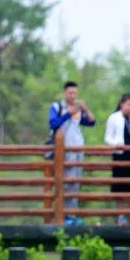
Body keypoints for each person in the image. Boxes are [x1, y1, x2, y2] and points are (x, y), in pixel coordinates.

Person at [48, 81, 95, 225]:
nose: (72, 95)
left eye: (75, 93)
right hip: (64, 150)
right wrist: (69, 113)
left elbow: (92, 123)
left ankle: (72, 214)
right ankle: (63, 214)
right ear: (64, 93)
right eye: (70, 93)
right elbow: (53, 123)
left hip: (78, 148)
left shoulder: (78, 109)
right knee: (66, 182)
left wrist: (85, 110)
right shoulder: (57, 107)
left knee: (75, 182)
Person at [104, 92, 130, 224]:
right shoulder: (113, 118)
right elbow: (107, 138)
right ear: (121, 104)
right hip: (120, 154)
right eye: (128, 104)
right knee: (121, 186)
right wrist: (116, 144)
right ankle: (121, 216)